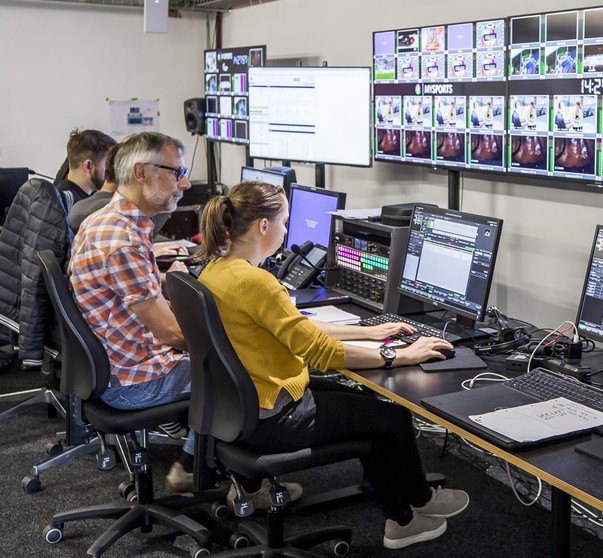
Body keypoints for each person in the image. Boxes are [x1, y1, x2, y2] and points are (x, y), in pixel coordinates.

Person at [194, 181, 470, 550]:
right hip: (273, 415)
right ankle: (409, 513)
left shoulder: (217, 270)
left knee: (373, 410)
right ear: (263, 225)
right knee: (391, 418)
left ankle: (405, 507)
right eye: (284, 222)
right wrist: (399, 354)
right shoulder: (256, 282)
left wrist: (370, 333)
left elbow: (289, 324)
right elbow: (319, 352)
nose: (286, 230)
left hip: (242, 406)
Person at [68, 132, 289, 504]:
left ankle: (193, 464)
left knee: (223, 360)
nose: (185, 183)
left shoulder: (108, 221)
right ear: (141, 173)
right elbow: (171, 333)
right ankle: (244, 484)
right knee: (246, 373)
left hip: (111, 367)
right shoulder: (121, 240)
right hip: (131, 381)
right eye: (177, 172)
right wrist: (247, 339)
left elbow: (150, 303)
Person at [57, 129, 117, 209]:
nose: (111, 170)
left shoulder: (85, 199)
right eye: (108, 164)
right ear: (88, 166)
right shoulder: (67, 205)